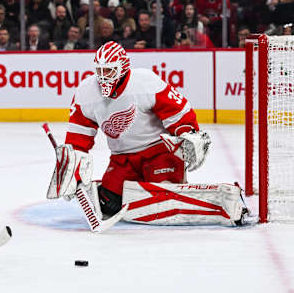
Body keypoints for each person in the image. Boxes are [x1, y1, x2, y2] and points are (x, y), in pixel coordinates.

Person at [48, 41, 248, 227]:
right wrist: (71, 170)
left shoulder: (145, 82)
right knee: (108, 205)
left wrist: (188, 133)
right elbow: (77, 139)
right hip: (122, 160)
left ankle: (220, 203)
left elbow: (177, 111)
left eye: (109, 71)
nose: (103, 77)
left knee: (162, 198)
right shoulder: (86, 92)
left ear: (123, 69)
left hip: (159, 152)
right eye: (99, 71)